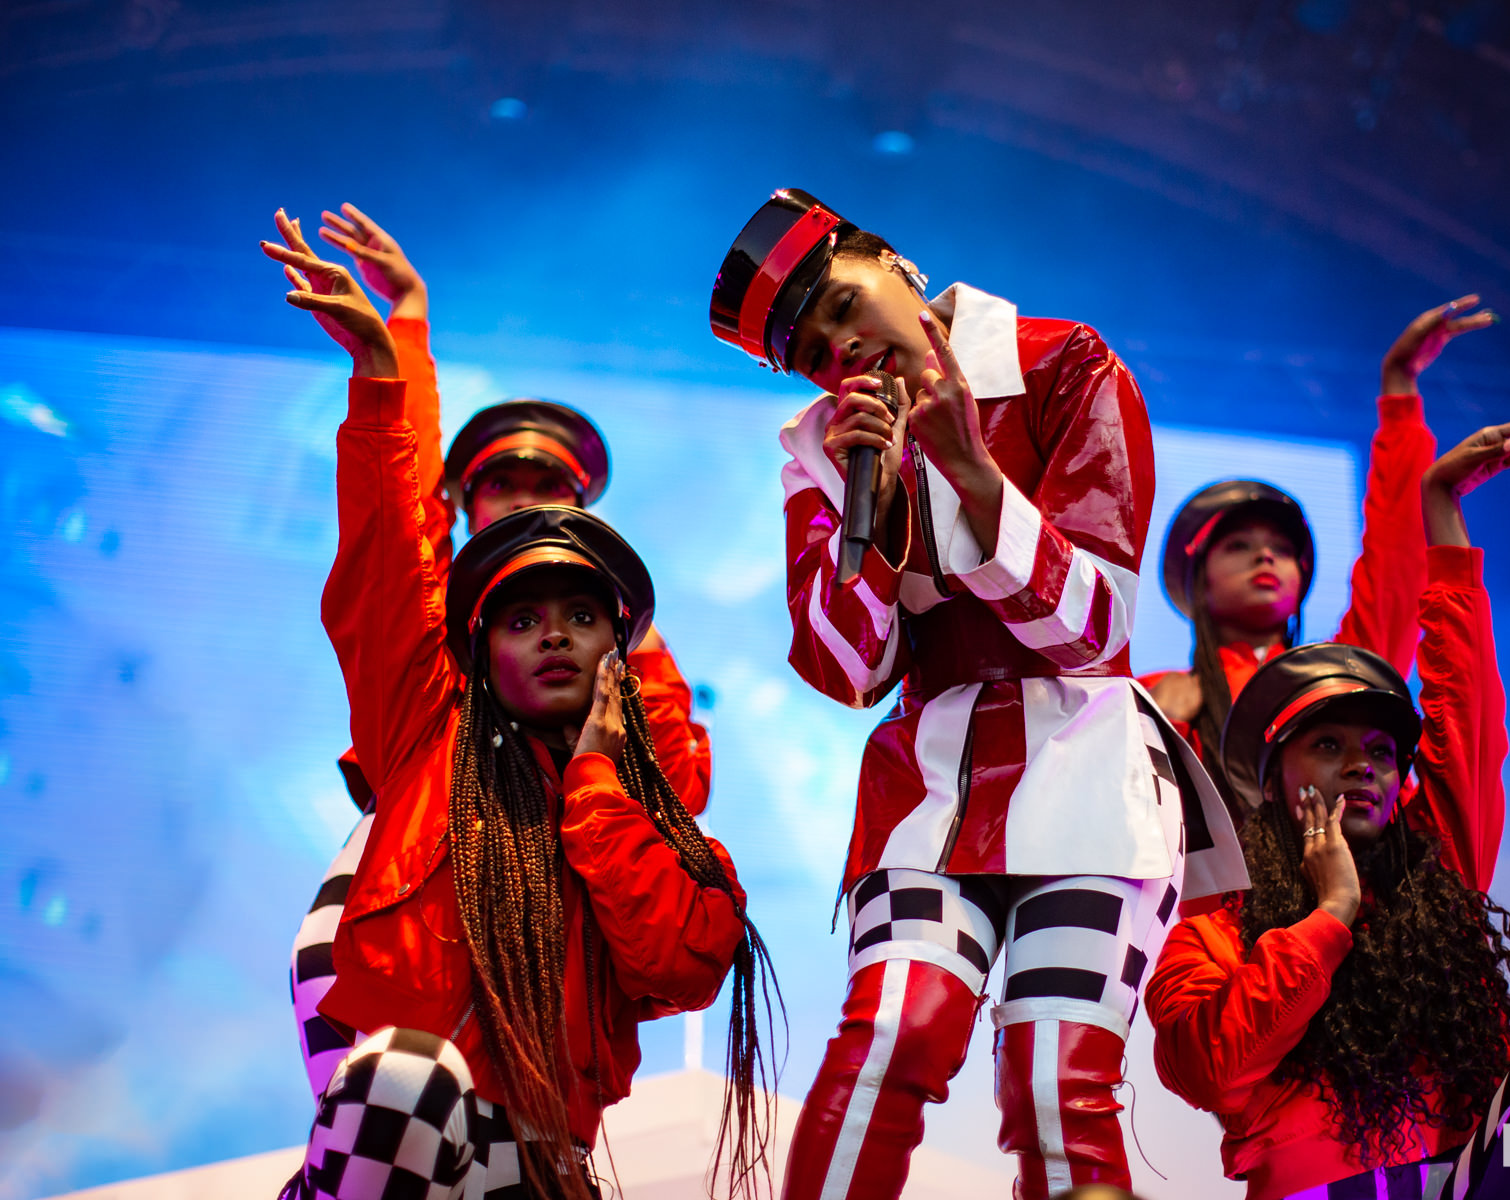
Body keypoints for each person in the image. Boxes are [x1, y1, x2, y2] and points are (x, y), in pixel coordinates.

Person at [709, 188, 1247, 1200]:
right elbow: (846, 672)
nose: (842, 352)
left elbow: (1095, 631)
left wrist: (969, 469)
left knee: (1055, 1085)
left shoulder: (1064, 362)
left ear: (892, 262)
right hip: (928, 786)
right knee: (890, 1036)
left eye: (842, 306)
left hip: (1090, 772)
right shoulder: (818, 451)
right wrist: (869, 508)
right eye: (815, 354)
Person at [259, 232, 771, 1199]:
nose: (554, 635)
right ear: (463, 499)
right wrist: (391, 359)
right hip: (405, 1031)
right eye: (523, 618)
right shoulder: (430, 702)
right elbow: (389, 535)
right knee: (403, 1083)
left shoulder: (635, 705)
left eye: (581, 615)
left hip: (544, 1120)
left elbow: (682, 940)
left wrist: (596, 778)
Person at [1145, 417, 1510, 1200]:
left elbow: (1466, 718)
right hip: (1325, 1191)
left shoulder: (1438, 876)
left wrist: (1441, 511)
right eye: (1329, 744)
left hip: (1466, 1181)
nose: (1362, 762)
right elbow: (1210, 1072)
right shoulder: (1213, 928)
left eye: (1382, 750)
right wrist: (1330, 916)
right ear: (1272, 779)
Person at [1142, 299, 1510, 799]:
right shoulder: (1151, 696)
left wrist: (1400, 389)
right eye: (1238, 545)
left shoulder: (1343, 681)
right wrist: (1154, 724)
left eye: (1282, 548)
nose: (1265, 556)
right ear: (1197, 581)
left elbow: (1396, 562)